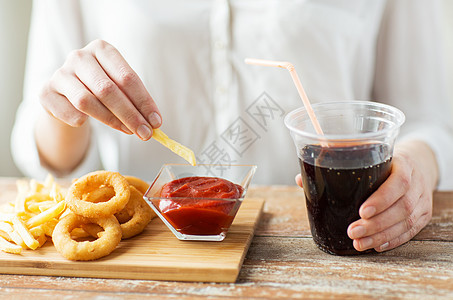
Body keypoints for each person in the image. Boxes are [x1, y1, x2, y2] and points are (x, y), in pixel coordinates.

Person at [11, 0, 453, 253]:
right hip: (145, 250)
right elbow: (46, 154)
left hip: (316, 248)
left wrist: (418, 168)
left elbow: (432, 123)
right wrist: (64, 109)